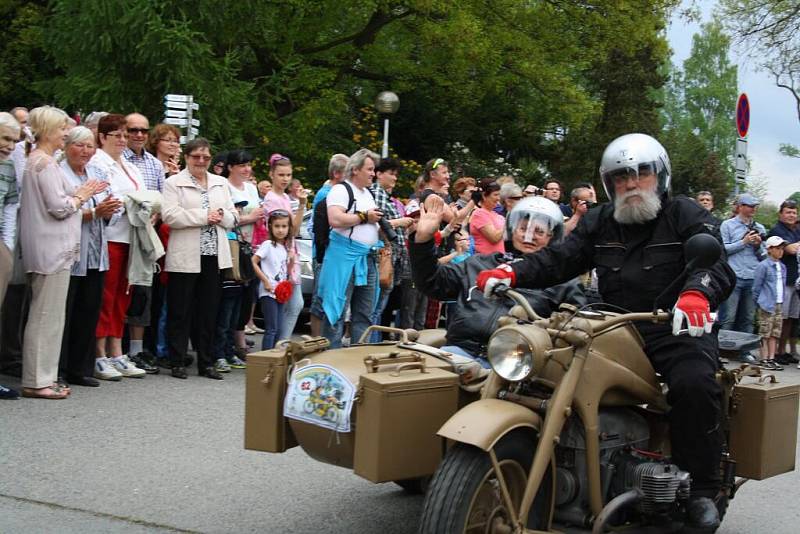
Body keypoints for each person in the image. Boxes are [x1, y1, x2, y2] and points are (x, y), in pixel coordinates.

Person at [475, 133, 735, 530]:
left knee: (695, 383)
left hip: (672, 327)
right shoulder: (600, 220)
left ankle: (702, 489)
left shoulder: (684, 213)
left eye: (641, 172)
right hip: (612, 327)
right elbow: (560, 257)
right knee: (544, 370)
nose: (631, 183)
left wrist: (697, 294)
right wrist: (512, 270)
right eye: (620, 177)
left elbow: (715, 262)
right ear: (609, 183)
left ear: (659, 175)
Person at [412, 195, 585, 365]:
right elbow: (431, 282)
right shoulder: (478, 263)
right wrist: (423, 241)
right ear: (511, 230)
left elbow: (578, 329)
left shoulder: (563, 280)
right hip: (460, 351)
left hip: (516, 364)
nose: (530, 236)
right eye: (524, 228)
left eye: (539, 231)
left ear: (552, 236)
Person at [19, 106, 106, 399]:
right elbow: (59, 207)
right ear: (47, 131)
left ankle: (43, 376)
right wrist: (82, 196)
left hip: (54, 248)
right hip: (50, 248)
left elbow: (68, 192)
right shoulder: (42, 163)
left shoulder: (46, 161)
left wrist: (84, 190)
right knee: (46, 316)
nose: (65, 134)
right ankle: (37, 380)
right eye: (61, 129)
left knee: (51, 317)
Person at [162, 138, 237, 380]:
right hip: (185, 254)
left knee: (208, 311)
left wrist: (222, 215)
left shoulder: (220, 183)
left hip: (213, 255)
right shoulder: (174, 183)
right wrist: (204, 216)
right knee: (180, 310)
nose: (201, 162)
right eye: (196, 157)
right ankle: (177, 359)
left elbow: (233, 216)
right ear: (186, 157)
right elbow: (170, 216)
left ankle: (206, 361)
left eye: (206, 157)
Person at [58, 127, 122, 387]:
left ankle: (80, 368)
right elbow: (60, 210)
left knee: (89, 309)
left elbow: (111, 205)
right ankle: (59, 367)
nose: (85, 151)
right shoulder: (59, 172)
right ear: (67, 146)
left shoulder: (96, 172)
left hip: (97, 252)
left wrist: (108, 211)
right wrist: (94, 212)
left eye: (89, 146)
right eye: (79, 145)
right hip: (70, 251)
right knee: (66, 311)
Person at [89, 114, 148, 380]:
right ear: (102, 137)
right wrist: (133, 203)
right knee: (106, 296)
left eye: (125, 135)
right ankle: (100, 354)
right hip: (110, 235)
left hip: (131, 235)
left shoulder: (129, 165)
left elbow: (143, 195)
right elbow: (109, 198)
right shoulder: (98, 162)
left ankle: (117, 350)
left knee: (123, 295)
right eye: (118, 135)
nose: (124, 140)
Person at [317, 148, 381, 348]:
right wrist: (364, 216)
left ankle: (358, 357)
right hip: (344, 258)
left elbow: (373, 223)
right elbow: (335, 219)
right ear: (355, 170)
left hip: (367, 258)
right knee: (336, 310)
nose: (373, 173)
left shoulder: (368, 193)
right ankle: (331, 361)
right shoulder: (341, 190)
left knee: (364, 313)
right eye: (369, 169)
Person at [122, 113, 164, 374]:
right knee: (117, 293)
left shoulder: (154, 164)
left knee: (141, 292)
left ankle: (136, 350)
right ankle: (114, 349)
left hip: (146, 233)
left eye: (143, 131)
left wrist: (154, 216)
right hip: (121, 231)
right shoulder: (119, 162)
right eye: (133, 130)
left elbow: (160, 199)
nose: (138, 135)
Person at [222, 149, 262, 366]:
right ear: (231, 167)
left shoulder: (251, 188)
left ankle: (237, 346)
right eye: (242, 165)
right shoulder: (224, 186)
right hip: (232, 246)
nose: (247, 169)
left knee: (245, 302)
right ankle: (225, 348)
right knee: (229, 300)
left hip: (251, 247)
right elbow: (227, 217)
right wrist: (250, 217)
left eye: (249, 165)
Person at [262, 154, 307, 341]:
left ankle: (281, 344)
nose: (285, 179)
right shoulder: (272, 198)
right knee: (292, 304)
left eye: (288, 175)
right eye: (281, 175)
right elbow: (291, 229)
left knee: (292, 304)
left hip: (289, 254)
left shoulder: (285, 197)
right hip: (280, 256)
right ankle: (280, 345)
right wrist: (303, 205)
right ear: (272, 174)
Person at [369, 158, 415, 340]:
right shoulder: (377, 193)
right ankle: (371, 344)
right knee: (376, 308)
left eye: (396, 174)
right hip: (384, 257)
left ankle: (374, 341)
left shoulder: (384, 195)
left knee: (380, 307)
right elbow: (378, 226)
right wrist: (400, 222)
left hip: (392, 258)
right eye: (391, 173)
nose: (395, 178)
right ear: (379, 174)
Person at [309, 154, 349, 336]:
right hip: (324, 255)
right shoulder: (325, 195)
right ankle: (316, 341)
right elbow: (317, 229)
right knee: (321, 299)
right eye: (347, 172)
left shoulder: (338, 193)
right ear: (336, 174)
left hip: (335, 255)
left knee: (332, 299)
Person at [719, 193, 766, 345]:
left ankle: (745, 351)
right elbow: (722, 250)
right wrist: (743, 242)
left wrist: (758, 245)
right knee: (728, 317)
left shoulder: (759, 227)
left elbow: (764, 256)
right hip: (733, 276)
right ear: (740, 207)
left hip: (752, 276)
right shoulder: (727, 225)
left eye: (754, 206)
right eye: (750, 206)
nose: (753, 209)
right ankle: (723, 350)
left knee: (748, 318)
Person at [0, 112, 21, 399]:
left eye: (15, 141)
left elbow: (9, 207)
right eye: (5, 138)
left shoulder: (7, 169)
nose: (10, 146)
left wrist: (7, 245)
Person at [252, 210, 295, 349]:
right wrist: (265, 280)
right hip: (268, 292)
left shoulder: (284, 247)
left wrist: (292, 260)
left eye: (284, 226)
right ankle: (266, 358)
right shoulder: (268, 245)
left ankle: (274, 358)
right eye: (277, 226)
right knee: (271, 328)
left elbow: (287, 272)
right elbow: (253, 261)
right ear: (270, 226)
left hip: (280, 293)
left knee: (279, 329)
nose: (281, 230)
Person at [767, 200, 800, 365]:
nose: (791, 215)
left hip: (796, 280)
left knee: (790, 319)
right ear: (781, 214)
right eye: (788, 212)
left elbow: (795, 247)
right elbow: (790, 249)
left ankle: (782, 350)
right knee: (780, 317)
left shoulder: (796, 230)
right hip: (782, 281)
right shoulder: (777, 230)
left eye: (794, 212)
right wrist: (792, 247)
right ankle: (775, 353)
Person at [752, 236, 788, 370]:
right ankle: (764, 358)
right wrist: (759, 301)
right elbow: (756, 286)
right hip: (766, 303)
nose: (780, 251)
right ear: (769, 249)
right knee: (765, 333)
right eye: (777, 248)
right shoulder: (763, 266)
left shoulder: (782, 266)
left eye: (782, 249)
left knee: (775, 333)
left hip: (778, 303)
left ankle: (772, 358)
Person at [470, 178, 505, 254]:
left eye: (499, 195)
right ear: (484, 196)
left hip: (498, 260)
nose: (498, 198)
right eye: (495, 195)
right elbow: (494, 238)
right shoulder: (479, 213)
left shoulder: (497, 215)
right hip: (485, 262)